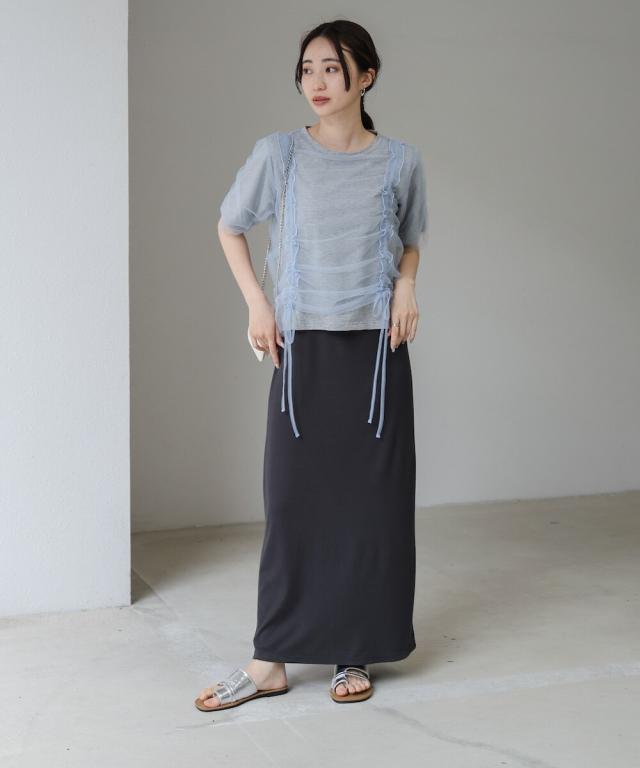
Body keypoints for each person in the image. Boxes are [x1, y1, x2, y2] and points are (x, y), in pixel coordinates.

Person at [195, 18, 428, 711]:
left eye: (332, 67)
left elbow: (410, 239)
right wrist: (257, 305)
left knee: (370, 508)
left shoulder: (401, 161)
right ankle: (269, 659)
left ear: (366, 76)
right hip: (303, 351)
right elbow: (230, 225)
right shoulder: (280, 154)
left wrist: (407, 285)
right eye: (307, 70)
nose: (317, 82)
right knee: (293, 504)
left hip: (377, 355)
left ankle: (353, 650)